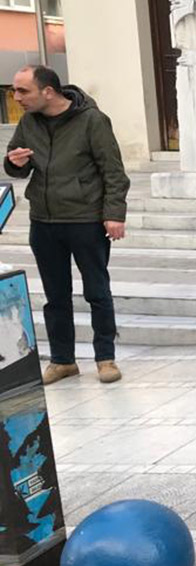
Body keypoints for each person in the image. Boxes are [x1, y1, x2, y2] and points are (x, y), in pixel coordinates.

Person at [4, 65, 129, 385]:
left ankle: (105, 358)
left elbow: (113, 171)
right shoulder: (29, 122)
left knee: (97, 291)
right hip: (43, 222)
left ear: (48, 91)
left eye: (22, 91)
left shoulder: (92, 121)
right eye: (14, 91)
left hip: (85, 220)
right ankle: (63, 360)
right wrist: (13, 163)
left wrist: (114, 213)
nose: (16, 97)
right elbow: (18, 165)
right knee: (54, 295)